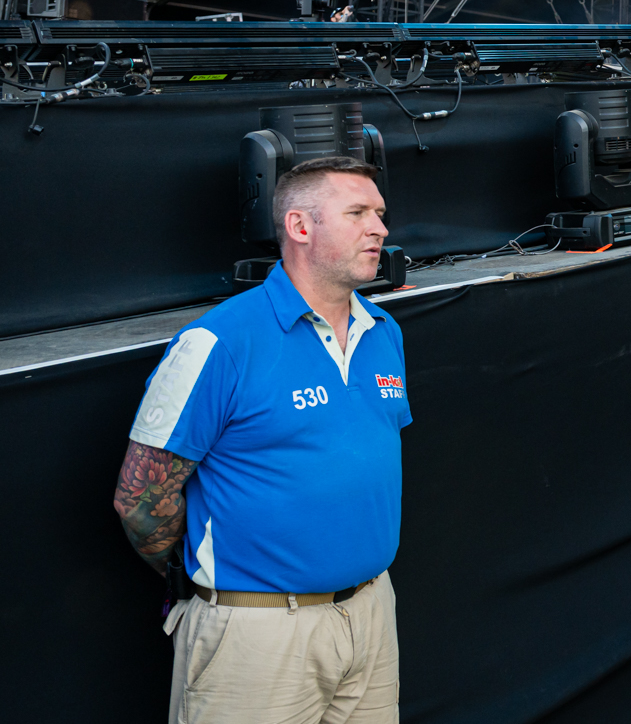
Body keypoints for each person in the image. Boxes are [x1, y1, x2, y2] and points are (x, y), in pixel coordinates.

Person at [113, 156, 409, 723]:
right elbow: (140, 503)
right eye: (357, 213)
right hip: (257, 635)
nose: (379, 228)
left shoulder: (382, 331)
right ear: (300, 226)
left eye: (379, 213)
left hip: (371, 615)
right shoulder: (218, 342)